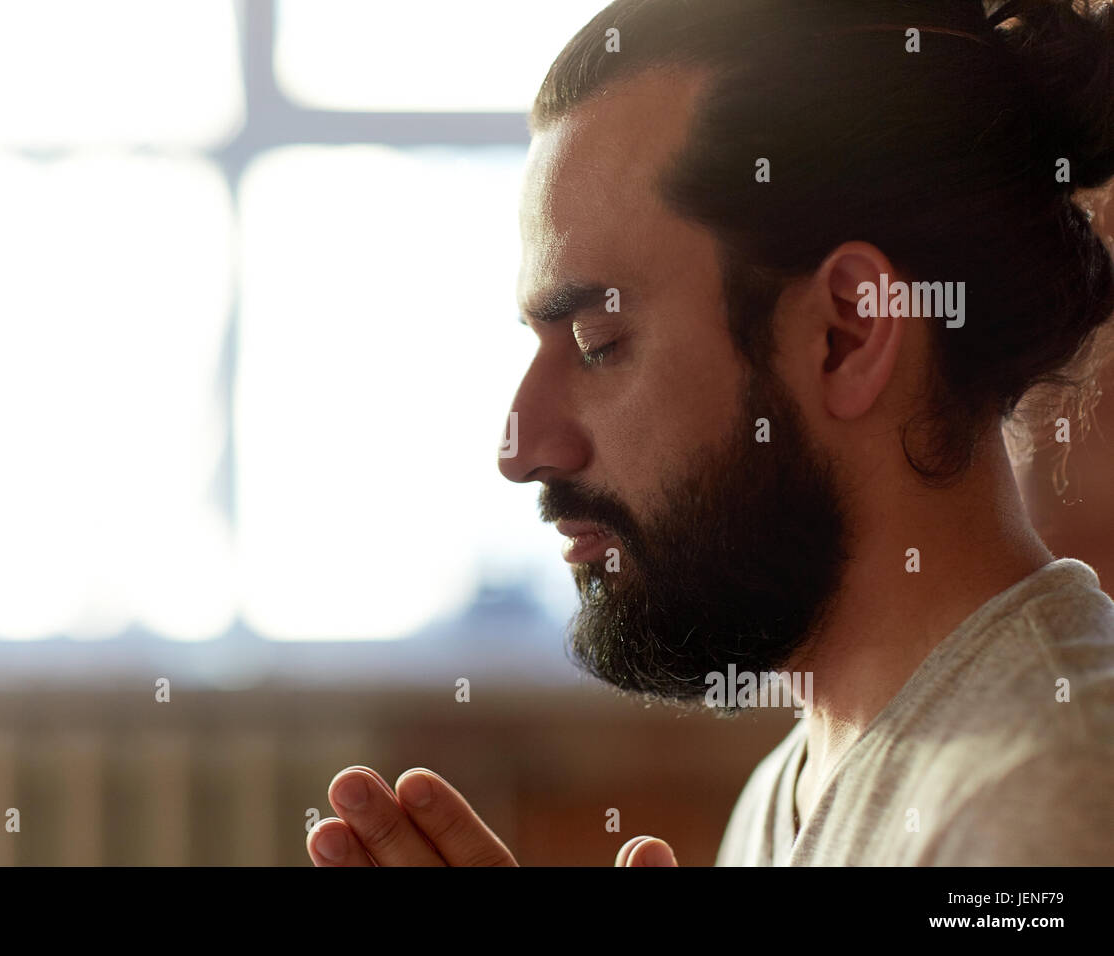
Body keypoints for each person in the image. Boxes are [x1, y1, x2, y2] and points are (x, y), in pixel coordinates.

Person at [306, 0, 1114, 867]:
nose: (522, 448)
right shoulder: (792, 787)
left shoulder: (1048, 806)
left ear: (848, 332)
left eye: (598, 344)